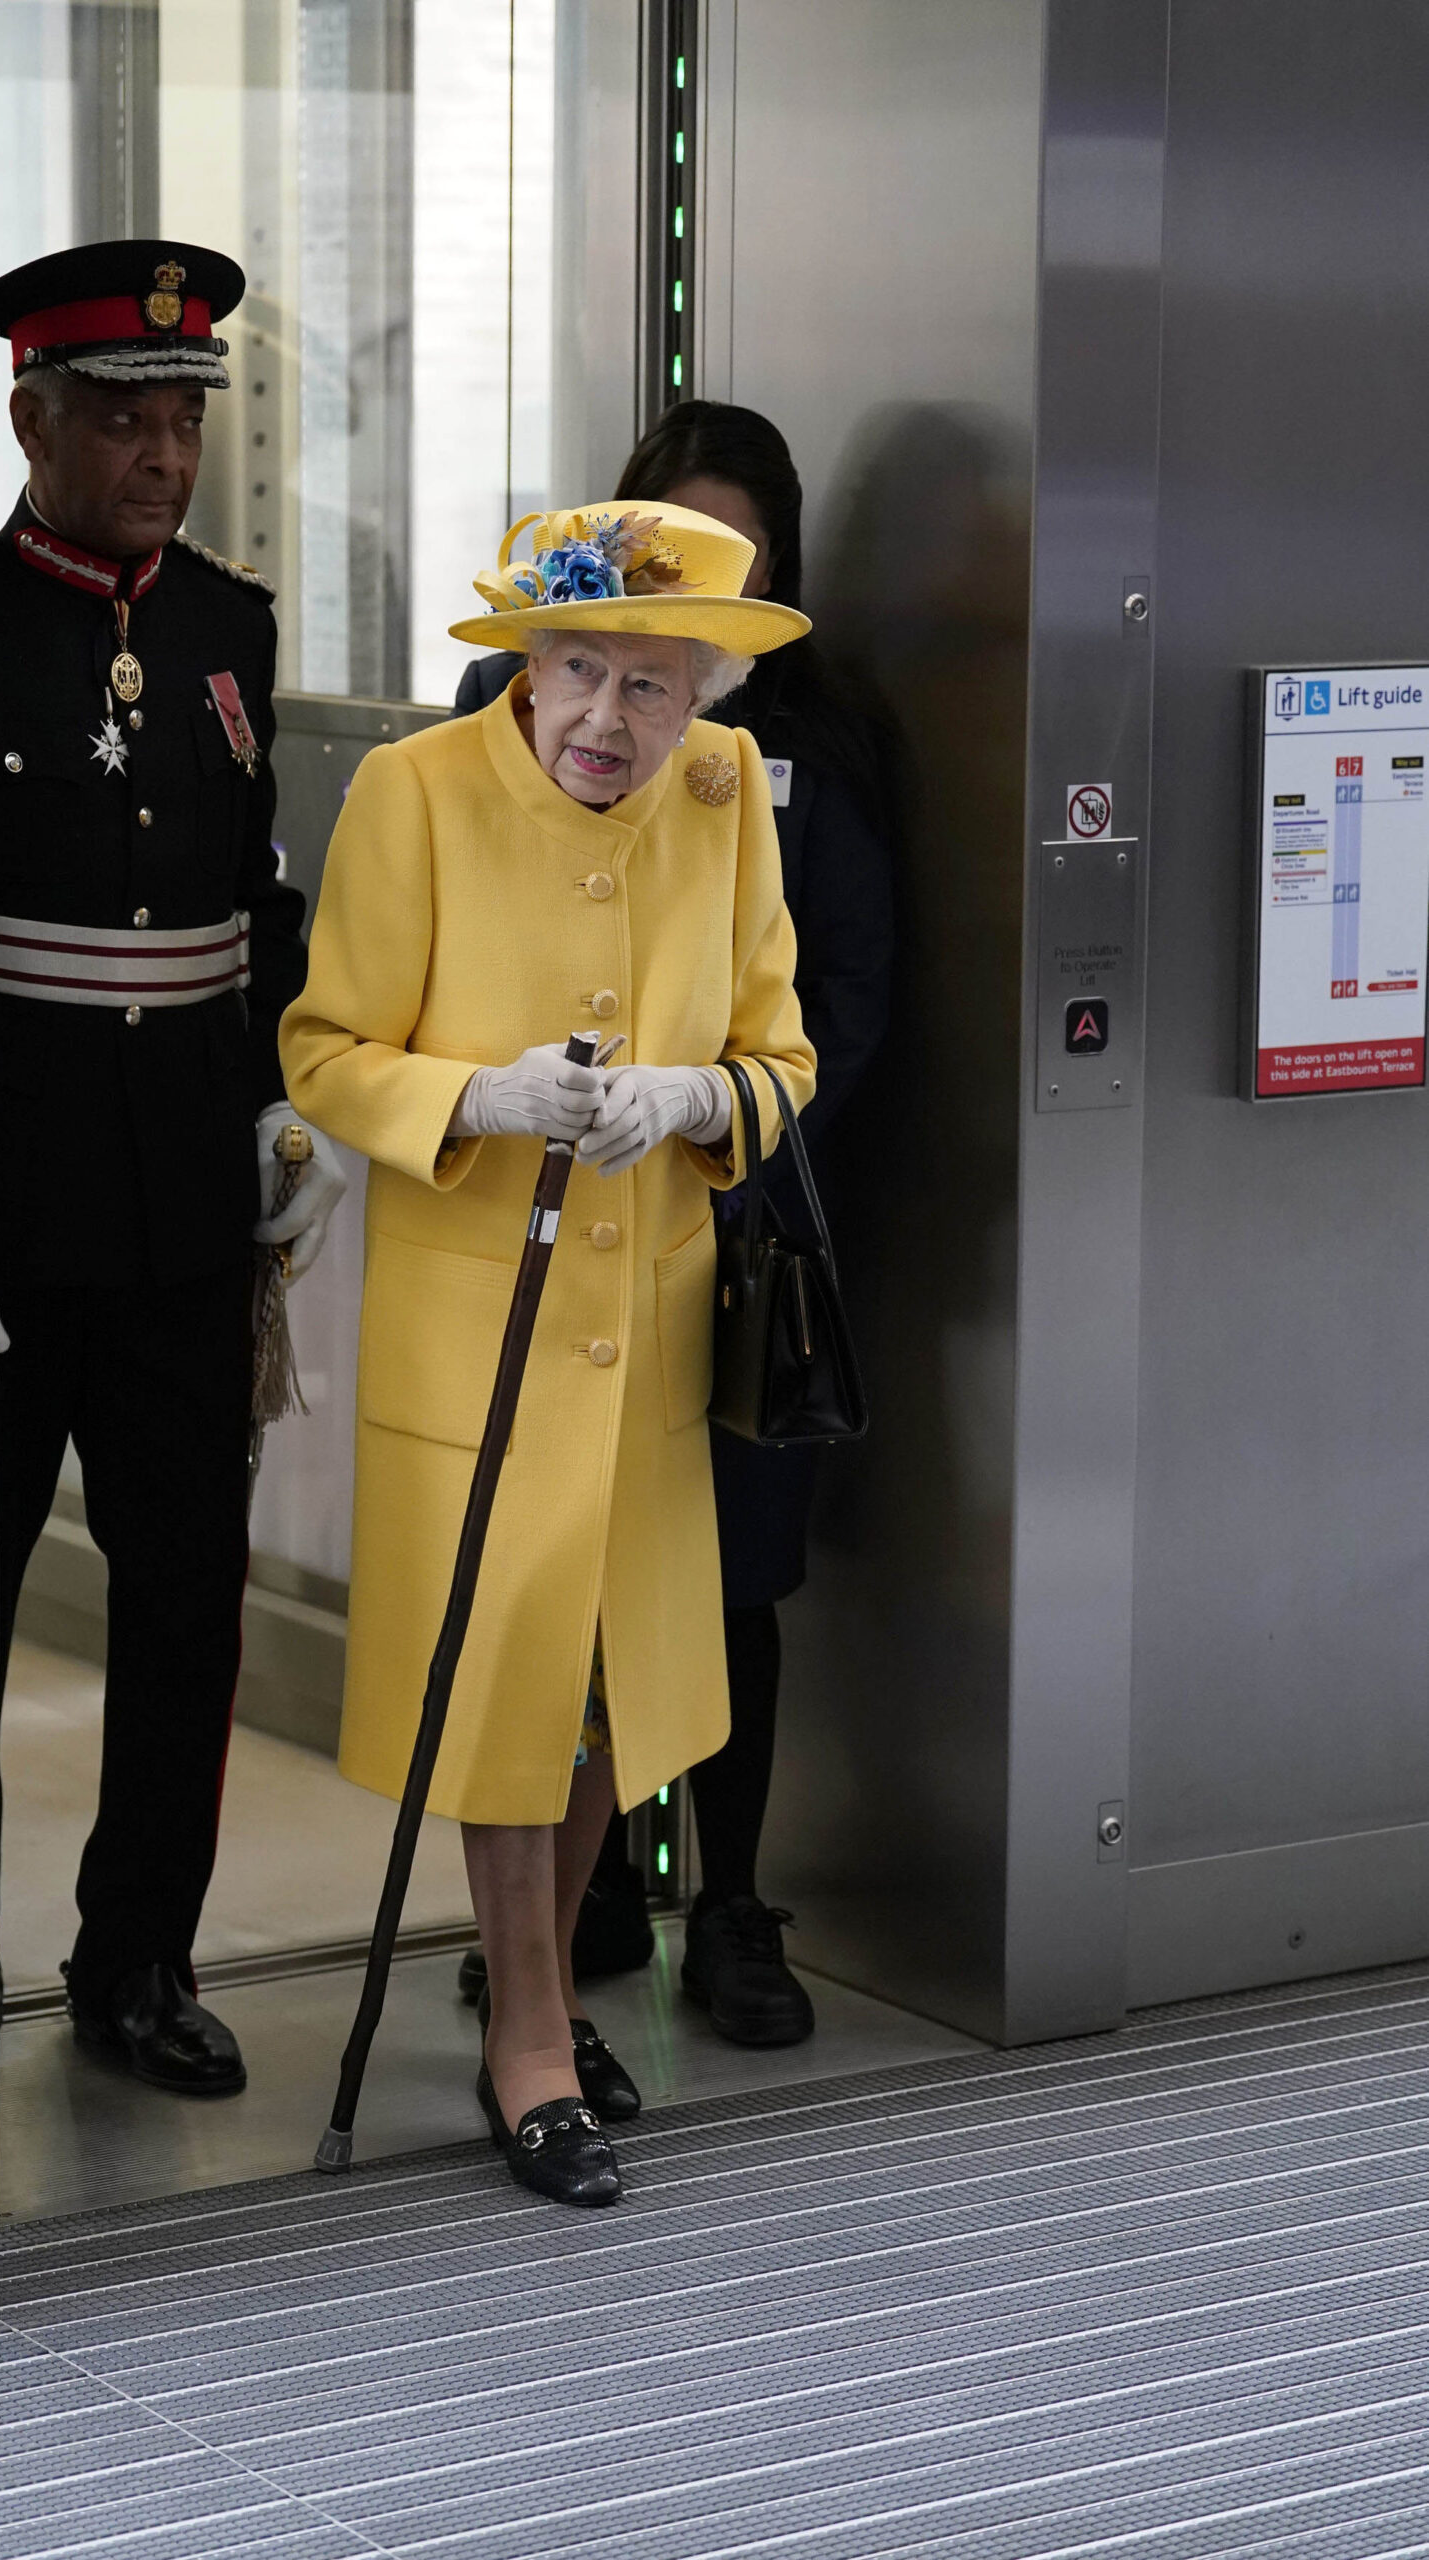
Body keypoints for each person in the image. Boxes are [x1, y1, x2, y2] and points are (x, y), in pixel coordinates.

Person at [282, 502, 813, 2204]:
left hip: (644, 1326)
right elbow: (321, 1050)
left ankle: (542, 1996)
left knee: (605, 1690)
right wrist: (473, 1097)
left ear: (704, 697)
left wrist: (694, 1099)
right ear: (527, 663)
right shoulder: (416, 793)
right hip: (476, 1327)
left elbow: (779, 1054)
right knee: (506, 1674)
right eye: (579, 670)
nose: (607, 720)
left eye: (654, 689)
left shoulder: (726, 806)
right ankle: (528, 2034)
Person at [456, 403, 895, 2047]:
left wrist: (715, 1115)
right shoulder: (520, 718)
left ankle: (729, 1900)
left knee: (724, 1579)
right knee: (548, 1592)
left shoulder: (813, 751)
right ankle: (557, 1935)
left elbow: (843, 997)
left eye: (736, 560)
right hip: (541, 1213)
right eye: (664, 548)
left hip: (741, 1217)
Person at [0, 240, 345, 2094]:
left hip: (184, 1212)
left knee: (185, 1596)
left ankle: (136, 1960)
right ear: (29, 413)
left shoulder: (224, 623)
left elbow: (248, 896)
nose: (160, 448)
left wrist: (281, 1086)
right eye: (121, 413)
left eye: (183, 413)